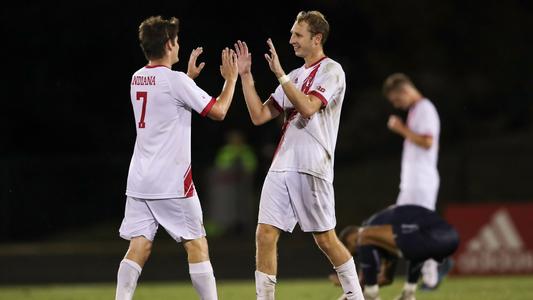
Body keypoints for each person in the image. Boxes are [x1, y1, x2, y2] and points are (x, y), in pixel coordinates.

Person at [233, 11, 364, 300]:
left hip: (312, 164)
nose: (291, 40)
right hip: (282, 164)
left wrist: (280, 74)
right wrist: (245, 76)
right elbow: (259, 115)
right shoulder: (294, 76)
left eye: (298, 34)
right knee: (265, 233)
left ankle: (356, 297)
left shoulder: (332, 70)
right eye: (292, 33)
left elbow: (307, 108)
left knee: (325, 239)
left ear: (316, 39)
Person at [115, 16, 238, 300]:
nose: (179, 43)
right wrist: (230, 80)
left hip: (139, 179)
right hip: (170, 180)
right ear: (169, 44)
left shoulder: (137, 78)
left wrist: (188, 80)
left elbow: (164, 102)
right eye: (177, 40)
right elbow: (219, 111)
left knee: (139, 247)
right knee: (196, 244)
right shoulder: (176, 81)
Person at [383, 73, 445, 289]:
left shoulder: (425, 109)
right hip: (413, 180)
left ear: (405, 91)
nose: (397, 105)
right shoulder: (417, 110)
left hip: (421, 180)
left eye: (397, 100)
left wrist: (401, 129)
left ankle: (435, 266)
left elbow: (428, 142)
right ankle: (434, 265)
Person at [337, 205, 459, 300]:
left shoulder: (369, 227)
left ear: (350, 238)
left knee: (363, 236)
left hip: (434, 234)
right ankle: (409, 292)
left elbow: (363, 241)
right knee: (414, 248)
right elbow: (386, 278)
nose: (360, 253)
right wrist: (354, 288)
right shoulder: (386, 240)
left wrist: (354, 285)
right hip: (448, 239)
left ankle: (371, 295)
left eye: (356, 251)